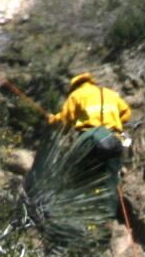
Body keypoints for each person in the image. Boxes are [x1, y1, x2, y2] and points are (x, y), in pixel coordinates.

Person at [49, 73, 132, 218]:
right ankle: (109, 215)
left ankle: (83, 214)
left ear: (75, 86)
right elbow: (127, 113)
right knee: (111, 179)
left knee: (81, 176)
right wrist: (113, 123)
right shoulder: (109, 93)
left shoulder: (77, 95)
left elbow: (64, 120)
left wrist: (52, 119)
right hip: (113, 138)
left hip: (90, 137)